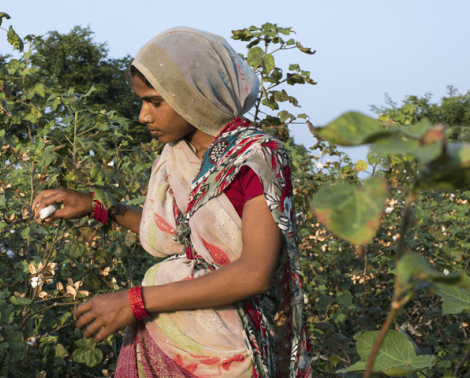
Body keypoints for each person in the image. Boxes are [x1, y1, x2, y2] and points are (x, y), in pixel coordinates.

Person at [31, 27, 310, 378]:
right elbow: (181, 235)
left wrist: (136, 301)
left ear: (192, 95)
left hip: (228, 352)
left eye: (155, 102)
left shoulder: (256, 157)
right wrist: (97, 206)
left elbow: (253, 274)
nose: (143, 116)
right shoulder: (179, 155)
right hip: (171, 340)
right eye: (142, 102)